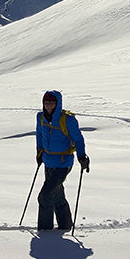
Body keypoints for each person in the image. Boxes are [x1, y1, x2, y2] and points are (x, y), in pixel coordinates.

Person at [36, 90, 90, 230]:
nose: (49, 106)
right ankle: (65, 225)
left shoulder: (68, 120)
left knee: (45, 195)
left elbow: (78, 139)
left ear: (58, 104)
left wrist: (82, 156)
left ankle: (45, 230)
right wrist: (39, 151)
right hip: (48, 160)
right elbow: (39, 134)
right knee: (57, 195)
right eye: (46, 102)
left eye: (52, 103)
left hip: (63, 163)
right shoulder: (40, 117)